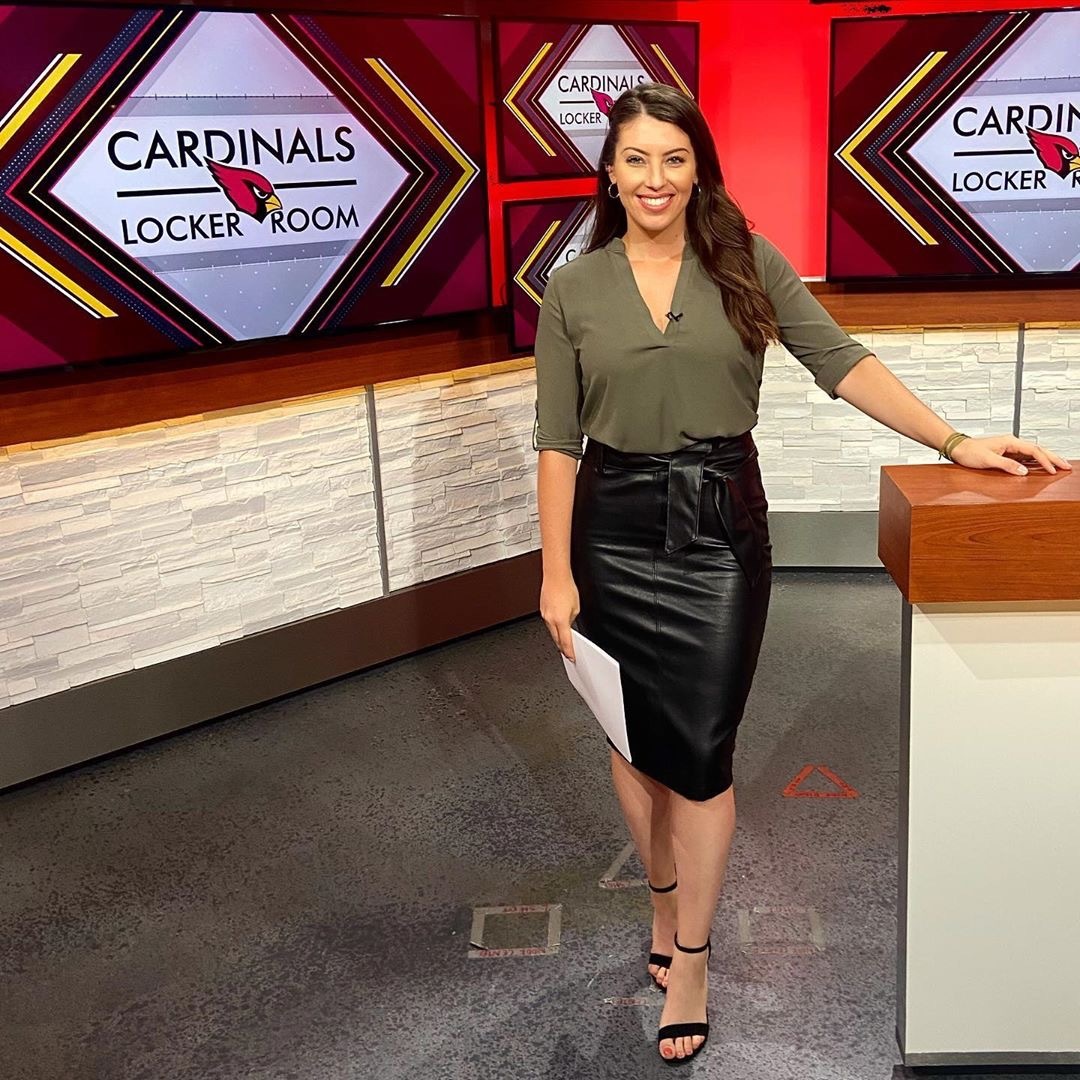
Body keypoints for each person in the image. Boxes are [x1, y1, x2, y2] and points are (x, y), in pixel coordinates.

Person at [532, 82, 1071, 1065]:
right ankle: (663, 907)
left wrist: (954, 441)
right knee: (631, 743)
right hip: (611, 533)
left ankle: (692, 959)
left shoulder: (745, 261)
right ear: (609, 173)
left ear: (699, 170)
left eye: (674, 158)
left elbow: (839, 360)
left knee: (700, 755)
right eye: (637, 159)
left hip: (717, 533)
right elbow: (558, 441)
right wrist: (555, 571)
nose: (655, 178)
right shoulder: (573, 289)